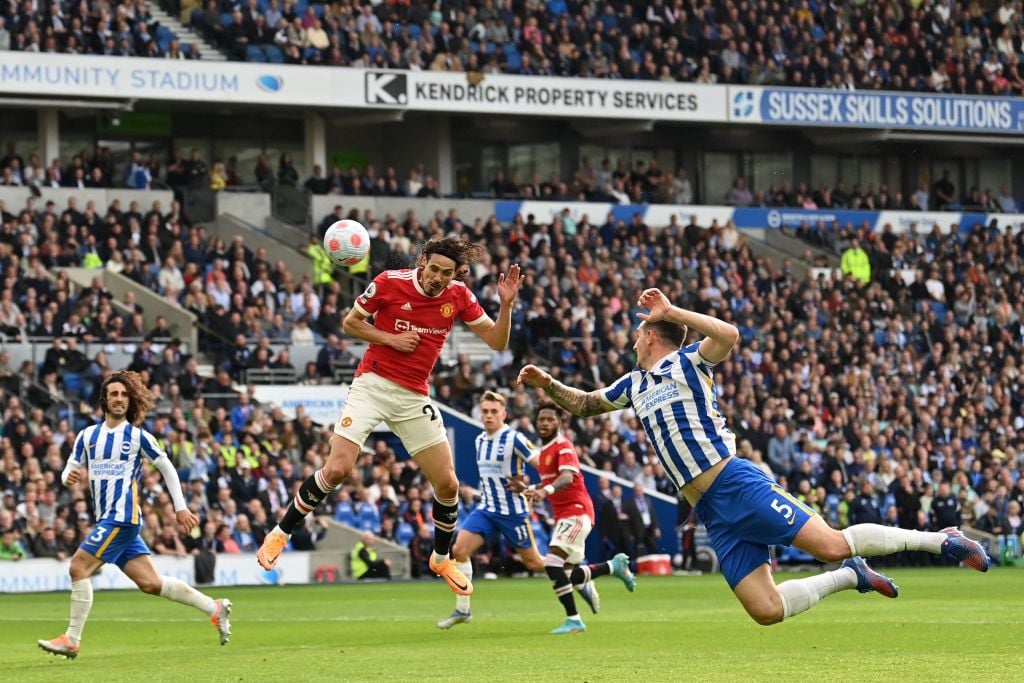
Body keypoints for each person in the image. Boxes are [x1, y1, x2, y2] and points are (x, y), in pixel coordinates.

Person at [517, 288, 990, 627]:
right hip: (710, 510)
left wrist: (672, 309)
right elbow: (584, 403)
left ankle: (940, 540)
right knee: (766, 611)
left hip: (734, 483)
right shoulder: (632, 384)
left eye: (641, 332)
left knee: (829, 543)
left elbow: (729, 335)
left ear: (656, 335)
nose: (634, 339)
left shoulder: (686, 362)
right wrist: (547, 385)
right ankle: (851, 578)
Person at [257, 237, 523, 599]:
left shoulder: (457, 295)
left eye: (446, 274)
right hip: (372, 384)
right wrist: (391, 339)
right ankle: (281, 532)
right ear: (423, 261)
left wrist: (506, 306)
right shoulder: (388, 283)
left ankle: (441, 558)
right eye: (433, 270)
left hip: (414, 396)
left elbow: (496, 341)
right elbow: (351, 323)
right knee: (338, 469)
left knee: (448, 484)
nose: (438, 279)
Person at [38, 371, 231, 659]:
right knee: (151, 583)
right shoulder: (87, 435)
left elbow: (167, 468)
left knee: (78, 567)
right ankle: (213, 607)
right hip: (108, 519)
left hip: (122, 518)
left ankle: (72, 639)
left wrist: (179, 507)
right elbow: (68, 468)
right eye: (114, 394)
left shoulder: (138, 437)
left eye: (124, 395)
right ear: (104, 399)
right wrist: (69, 478)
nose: (119, 399)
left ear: (130, 401)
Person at [516, 402, 636, 634]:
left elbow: (567, 478)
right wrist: (527, 488)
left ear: (559, 423)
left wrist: (544, 492)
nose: (545, 423)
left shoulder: (563, 446)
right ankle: (613, 567)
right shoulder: (544, 454)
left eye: (550, 419)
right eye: (541, 419)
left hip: (577, 512)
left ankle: (574, 619)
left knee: (551, 564)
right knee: (568, 573)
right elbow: (550, 481)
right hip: (565, 516)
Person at [437, 390, 545, 629]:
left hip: (512, 513)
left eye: (494, 412)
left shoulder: (515, 439)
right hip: (486, 509)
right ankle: (463, 610)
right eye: (485, 411)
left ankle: (580, 575)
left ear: (504, 414)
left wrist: (531, 488)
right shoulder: (480, 440)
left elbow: (543, 464)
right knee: (459, 549)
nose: (488, 416)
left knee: (535, 563)